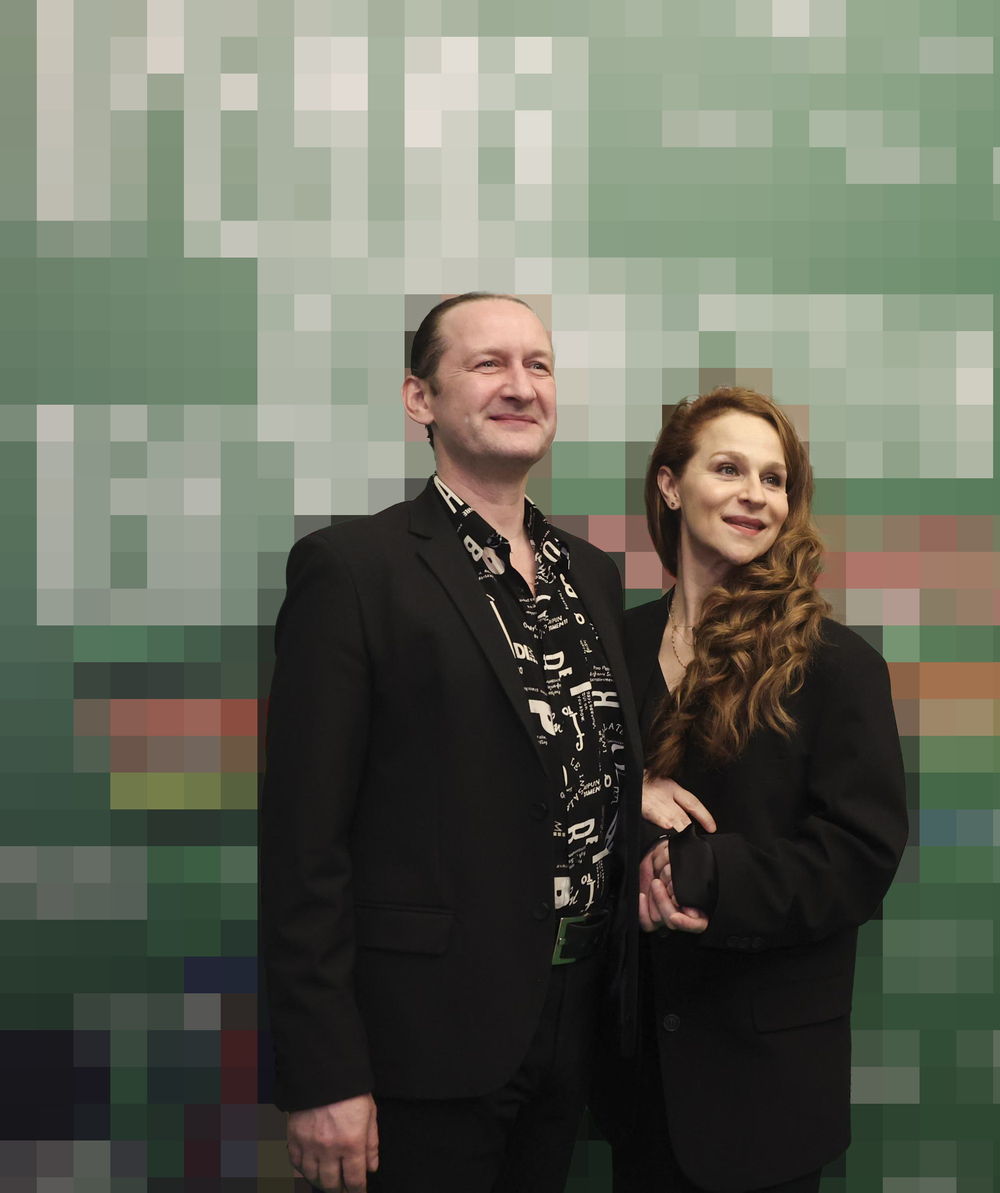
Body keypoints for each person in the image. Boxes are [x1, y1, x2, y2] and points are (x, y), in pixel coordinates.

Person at [259, 293, 642, 1193]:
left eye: (539, 365)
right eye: (488, 364)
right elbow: (304, 845)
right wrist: (323, 1072)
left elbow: (549, 758)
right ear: (419, 398)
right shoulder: (352, 570)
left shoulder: (592, 575)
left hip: (576, 1018)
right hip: (421, 1040)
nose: (521, 385)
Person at [598, 387, 908, 1193]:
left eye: (774, 479)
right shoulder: (613, 646)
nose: (756, 494)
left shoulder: (837, 664)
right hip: (630, 1080)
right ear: (670, 484)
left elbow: (859, 857)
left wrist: (710, 875)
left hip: (765, 1087)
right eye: (729, 468)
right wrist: (625, 793)